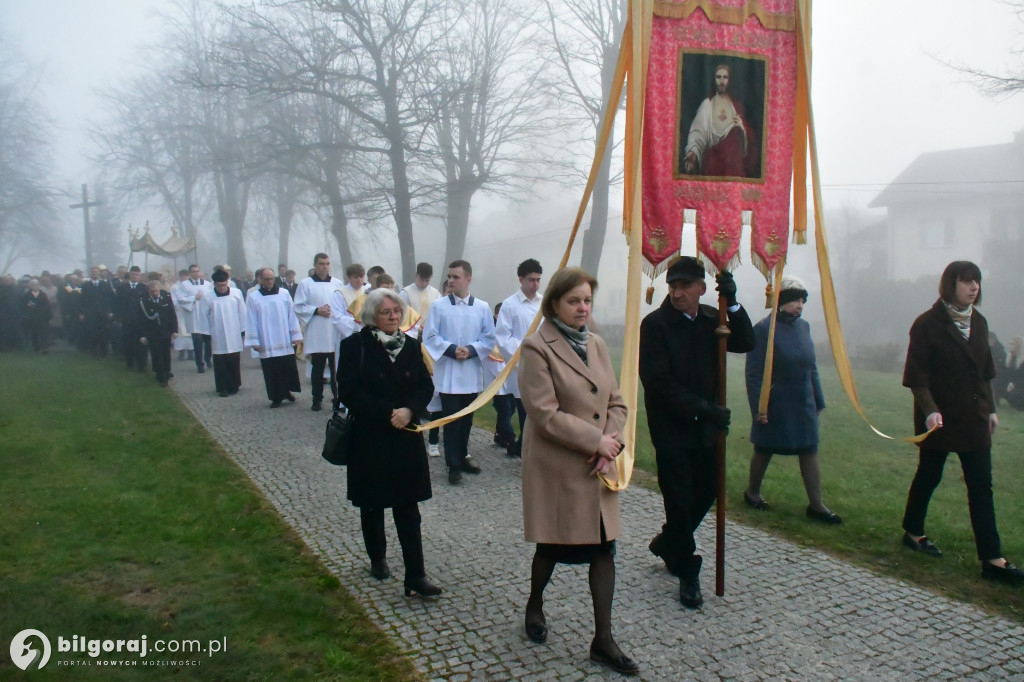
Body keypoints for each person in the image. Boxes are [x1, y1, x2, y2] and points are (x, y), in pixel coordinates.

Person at [518, 268, 637, 676]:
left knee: (605, 550)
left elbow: (617, 403)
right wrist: (595, 441)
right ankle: (535, 605)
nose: (582, 307)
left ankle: (603, 639)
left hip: (596, 468)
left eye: (587, 300)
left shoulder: (599, 345)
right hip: (559, 468)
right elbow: (544, 414)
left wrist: (612, 441)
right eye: (574, 301)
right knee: (551, 546)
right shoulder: (536, 348)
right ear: (554, 303)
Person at [639, 256, 754, 608]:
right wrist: (706, 409)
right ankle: (687, 571)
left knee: (707, 490)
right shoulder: (655, 325)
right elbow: (658, 383)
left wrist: (732, 303)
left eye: (685, 286)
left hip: (707, 429)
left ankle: (668, 541)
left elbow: (746, 341)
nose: (676, 293)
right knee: (677, 497)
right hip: (672, 428)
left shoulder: (711, 319)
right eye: (672, 286)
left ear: (702, 289)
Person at [900, 261, 1024, 584]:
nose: (974, 287)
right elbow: (917, 377)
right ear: (950, 284)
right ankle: (912, 532)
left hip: (974, 419)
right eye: (967, 281)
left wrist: (992, 409)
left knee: (982, 486)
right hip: (939, 419)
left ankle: (992, 559)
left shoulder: (980, 324)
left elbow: (985, 374)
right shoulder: (927, 325)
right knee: (929, 475)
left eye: (977, 282)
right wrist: (929, 410)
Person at [336, 288, 442, 599]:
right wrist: (386, 414)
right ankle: (378, 557)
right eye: (386, 312)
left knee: (408, 508)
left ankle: (416, 575)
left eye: (397, 311)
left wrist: (410, 410)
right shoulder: (354, 347)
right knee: (372, 504)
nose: (394, 317)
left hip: (405, 437)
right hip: (370, 437)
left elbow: (425, 385)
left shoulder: (411, 346)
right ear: (372, 316)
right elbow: (349, 391)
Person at [743, 276, 841, 523]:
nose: (799, 305)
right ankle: (753, 493)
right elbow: (754, 372)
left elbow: (811, 366)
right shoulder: (763, 329)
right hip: (775, 401)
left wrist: (818, 399)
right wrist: (759, 408)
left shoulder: (804, 327)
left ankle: (816, 505)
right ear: (781, 301)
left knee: (809, 449)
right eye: (794, 300)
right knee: (764, 449)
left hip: (802, 400)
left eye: (802, 300)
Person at [422, 260, 495, 485]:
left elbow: (489, 338)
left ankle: (463, 456)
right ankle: (452, 464)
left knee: (467, 420)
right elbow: (430, 336)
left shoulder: (482, 307)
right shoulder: (439, 306)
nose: (451, 280)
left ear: (468, 279)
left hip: (471, 372)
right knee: (452, 419)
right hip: (450, 373)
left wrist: (471, 350)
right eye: (450, 277)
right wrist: (452, 350)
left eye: (455, 277)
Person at [495, 258, 543, 457]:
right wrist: (526, 349)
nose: (536, 284)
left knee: (541, 408)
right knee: (524, 409)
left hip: (543, 364)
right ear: (521, 279)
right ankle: (527, 450)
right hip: (521, 366)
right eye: (532, 280)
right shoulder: (509, 305)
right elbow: (502, 337)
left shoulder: (544, 303)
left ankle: (526, 446)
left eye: (539, 280)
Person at [683, 63, 759, 178]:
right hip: (712, 164)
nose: (722, 81)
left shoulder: (737, 106)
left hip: (734, 168)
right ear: (714, 80)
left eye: (725, 77)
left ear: (730, 80)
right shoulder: (707, 105)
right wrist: (692, 153)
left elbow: (748, 140)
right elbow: (698, 133)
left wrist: (743, 129)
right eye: (719, 77)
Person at [293, 253, 345, 412]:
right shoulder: (305, 284)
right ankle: (317, 399)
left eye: (328, 263)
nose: (325, 266)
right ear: (315, 265)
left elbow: (343, 305)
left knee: (338, 369)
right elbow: (298, 306)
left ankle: (338, 399)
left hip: (335, 332)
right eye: (322, 263)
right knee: (318, 369)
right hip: (317, 331)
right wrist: (316, 310)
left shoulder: (337, 283)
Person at [245, 267, 303, 408]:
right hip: (266, 339)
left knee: (286, 367)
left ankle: (287, 392)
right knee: (272, 370)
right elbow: (250, 320)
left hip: (284, 338)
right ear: (260, 280)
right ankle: (276, 397)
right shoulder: (254, 297)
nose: (270, 281)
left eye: (272, 278)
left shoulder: (284, 294)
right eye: (267, 279)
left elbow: (291, 315)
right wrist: (254, 341)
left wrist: (295, 334)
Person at [194, 269, 246, 397]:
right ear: (214, 284)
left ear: (227, 282)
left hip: (233, 331)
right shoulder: (208, 297)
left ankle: (234, 384)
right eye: (219, 285)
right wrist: (206, 333)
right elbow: (203, 316)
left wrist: (243, 329)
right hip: (217, 333)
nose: (222, 288)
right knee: (220, 361)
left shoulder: (236, 293)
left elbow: (242, 312)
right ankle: (222, 387)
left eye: (224, 285)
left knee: (234, 359)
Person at [138, 280, 178, 387]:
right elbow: (143, 319)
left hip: (166, 331)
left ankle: (166, 371)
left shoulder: (166, 297)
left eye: (156, 291)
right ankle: (162, 376)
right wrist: (143, 335)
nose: (155, 293)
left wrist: (174, 330)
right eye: (152, 292)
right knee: (157, 354)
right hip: (153, 332)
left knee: (166, 353)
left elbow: (172, 313)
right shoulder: (145, 301)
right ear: (149, 291)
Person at [179, 264, 213, 372]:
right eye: (193, 271)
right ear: (190, 273)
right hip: (193, 316)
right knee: (197, 342)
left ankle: (208, 359)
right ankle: (200, 364)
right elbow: (180, 298)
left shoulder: (207, 284)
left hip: (205, 316)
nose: (196, 273)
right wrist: (193, 297)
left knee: (208, 342)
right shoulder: (184, 285)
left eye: (197, 271)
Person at [118, 266, 149, 371]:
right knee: (128, 343)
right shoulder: (122, 287)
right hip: (127, 320)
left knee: (141, 343)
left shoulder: (144, 288)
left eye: (137, 274)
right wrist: (120, 318)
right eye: (133, 274)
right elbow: (119, 304)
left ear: (139, 276)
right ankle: (129, 363)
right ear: (130, 275)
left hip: (140, 321)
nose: (135, 276)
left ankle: (142, 364)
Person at [399, 262, 441, 337]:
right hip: (411, 334)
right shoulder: (405, 293)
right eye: (422, 280)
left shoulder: (436, 294)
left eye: (427, 280)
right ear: (416, 275)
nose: (424, 284)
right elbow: (402, 315)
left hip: (431, 334)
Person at [21, 279, 51, 354]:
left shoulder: (43, 294)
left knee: (43, 333)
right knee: (34, 333)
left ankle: (44, 348)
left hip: (42, 318)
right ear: (30, 286)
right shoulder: (27, 295)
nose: (35, 286)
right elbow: (24, 305)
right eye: (33, 285)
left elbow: (47, 306)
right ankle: (36, 348)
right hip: (32, 318)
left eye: (36, 284)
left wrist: (49, 317)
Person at [1003, 336, 1024, 410]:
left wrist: (1014, 385)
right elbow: (1008, 374)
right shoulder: (1010, 358)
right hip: (1012, 384)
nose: (1009, 346)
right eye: (1009, 344)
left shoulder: (1022, 360)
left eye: (1012, 344)